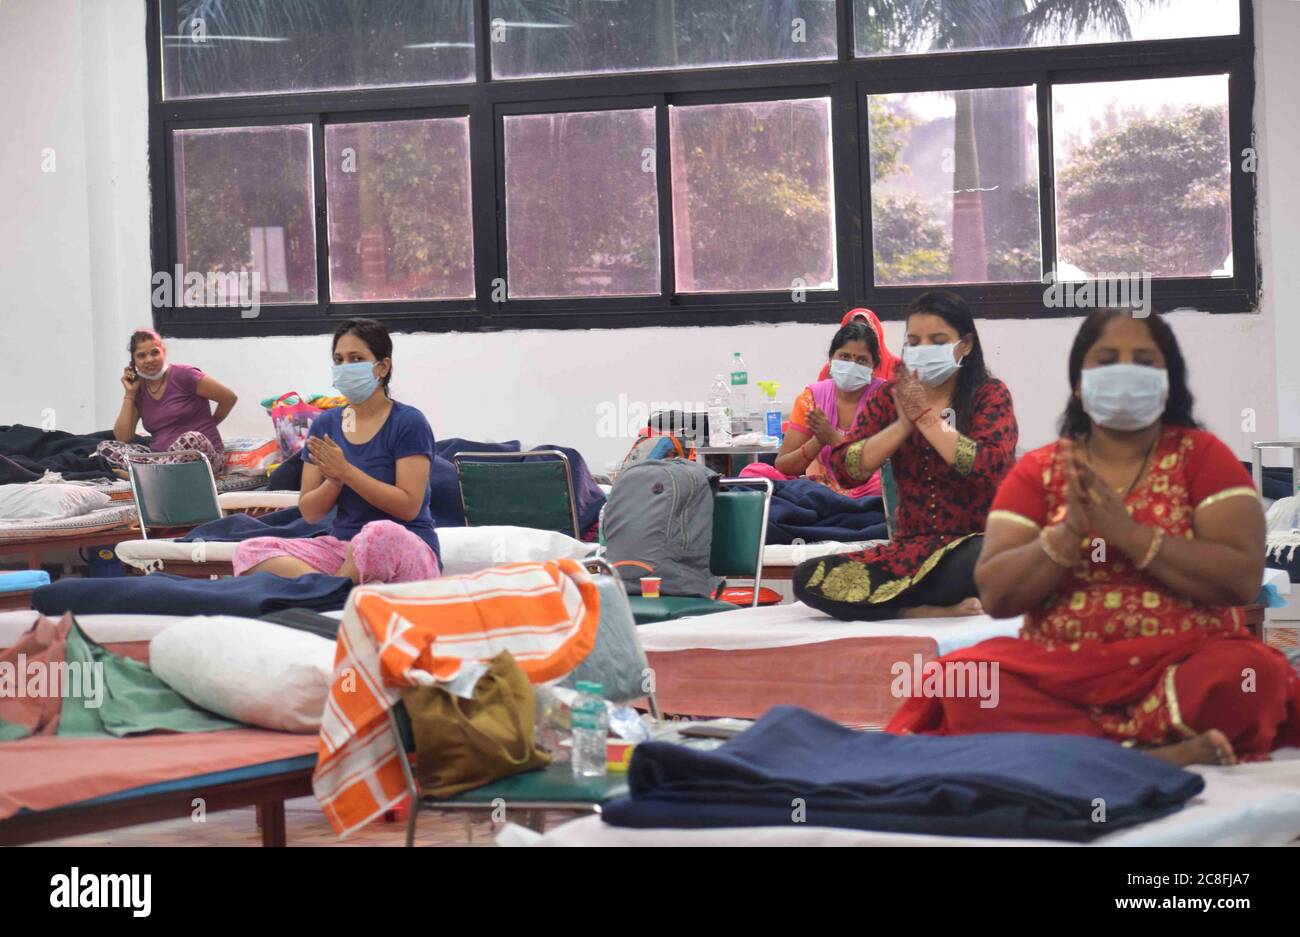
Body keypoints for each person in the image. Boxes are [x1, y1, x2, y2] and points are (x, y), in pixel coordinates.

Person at [889, 309, 1300, 765]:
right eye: (1106, 360)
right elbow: (998, 594)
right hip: (1061, 668)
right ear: (1081, 382)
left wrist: (1131, 535)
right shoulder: (1042, 470)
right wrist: (1066, 536)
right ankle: (1153, 750)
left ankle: (1087, 749)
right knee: (965, 682)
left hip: (1184, 661)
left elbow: (1241, 580)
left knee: (1250, 675)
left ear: (1169, 382)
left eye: (1144, 361)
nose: (1125, 371)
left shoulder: (1203, 458)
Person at [792, 291, 1018, 620]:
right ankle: (919, 610)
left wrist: (926, 419)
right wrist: (900, 427)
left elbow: (989, 466)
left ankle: (896, 600)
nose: (923, 349)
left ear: (965, 344)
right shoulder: (890, 396)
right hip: (909, 550)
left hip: (973, 544)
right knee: (808, 578)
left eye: (937, 340)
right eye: (914, 341)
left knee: (997, 559)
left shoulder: (989, 394)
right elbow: (846, 468)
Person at [233, 318, 441, 585]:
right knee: (249, 551)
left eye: (356, 359)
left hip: (404, 546)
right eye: (339, 360)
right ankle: (340, 589)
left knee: (377, 533)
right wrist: (334, 481)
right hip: (344, 548)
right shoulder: (325, 424)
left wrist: (346, 470)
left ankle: (327, 590)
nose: (345, 367)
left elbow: (409, 507)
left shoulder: (409, 422)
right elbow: (310, 512)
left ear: (383, 366)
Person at [741, 321, 885, 498]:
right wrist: (818, 440)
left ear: (873, 367)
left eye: (862, 360)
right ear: (831, 360)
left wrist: (832, 437)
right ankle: (827, 504)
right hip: (825, 488)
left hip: (867, 487)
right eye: (845, 357)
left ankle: (820, 509)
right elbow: (783, 466)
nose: (852, 365)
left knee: (881, 485)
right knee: (754, 474)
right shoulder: (812, 398)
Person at [98, 329, 236, 474]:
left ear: (163, 351)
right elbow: (123, 437)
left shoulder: (185, 375)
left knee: (192, 438)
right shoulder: (138, 389)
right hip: (161, 456)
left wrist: (209, 424)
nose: (150, 359)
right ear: (133, 362)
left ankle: (144, 474)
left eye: (155, 352)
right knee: (105, 447)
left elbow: (229, 398)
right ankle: (156, 472)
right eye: (141, 355)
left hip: (204, 458)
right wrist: (130, 393)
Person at [816, 308, 900, 385]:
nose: (860, 334)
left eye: (862, 360)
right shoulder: (831, 369)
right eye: (845, 357)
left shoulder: (898, 368)